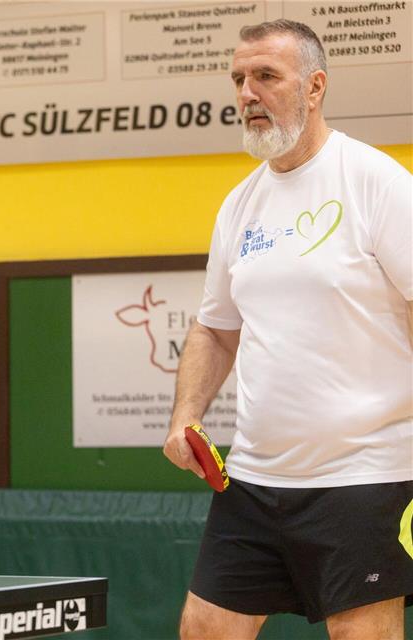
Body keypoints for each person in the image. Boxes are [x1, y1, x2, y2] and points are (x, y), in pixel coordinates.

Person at [163, 19, 412, 639]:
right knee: (203, 629)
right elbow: (215, 329)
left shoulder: (375, 181)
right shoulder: (239, 204)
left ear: (314, 86)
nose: (248, 93)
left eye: (267, 76)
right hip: (253, 479)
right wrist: (184, 415)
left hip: (366, 476)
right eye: (239, 79)